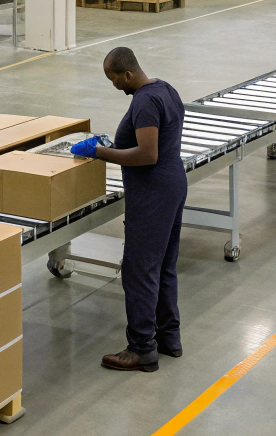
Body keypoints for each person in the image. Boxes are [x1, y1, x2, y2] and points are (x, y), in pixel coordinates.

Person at [69, 48, 187, 372]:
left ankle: (141, 349)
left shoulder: (145, 101)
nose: (115, 85)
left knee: (139, 272)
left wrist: (100, 152)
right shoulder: (166, 90)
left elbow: (148, 154)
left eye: (115, 79)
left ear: (128, 74)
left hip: (153, 195)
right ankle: (169, 338)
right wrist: (113, 144)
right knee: (163, 266)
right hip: (173, 184)